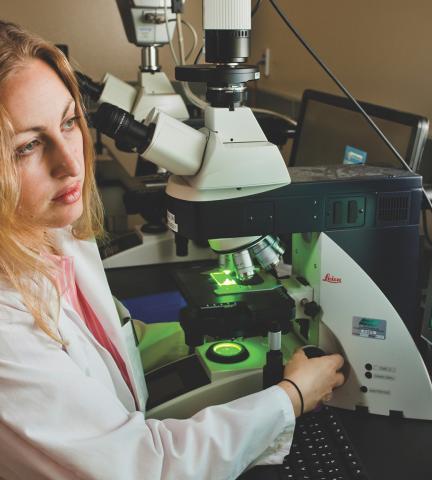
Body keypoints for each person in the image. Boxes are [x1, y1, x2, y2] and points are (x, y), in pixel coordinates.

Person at [0, 20, 345, 480]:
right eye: (27, 146)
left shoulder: (50, 235)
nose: (70, 163)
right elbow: (145, 468)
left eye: (68, 122)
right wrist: (292, 397)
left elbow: (109, 341)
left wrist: (202, 333)